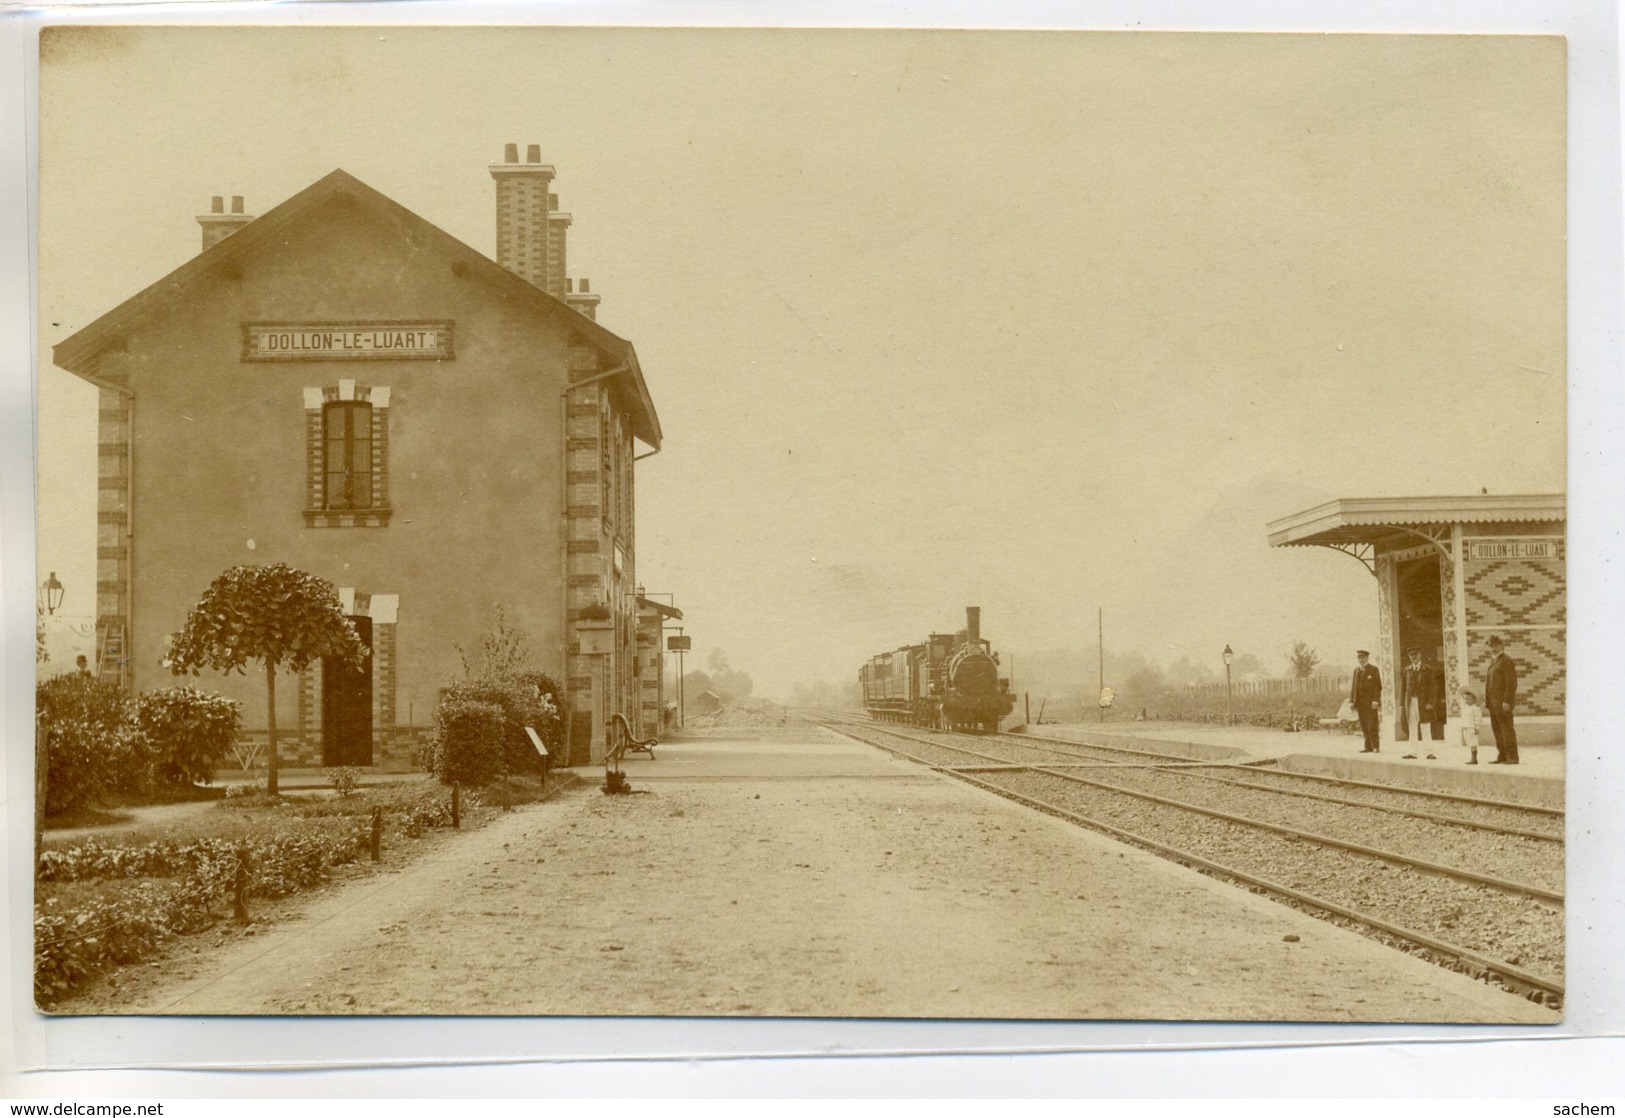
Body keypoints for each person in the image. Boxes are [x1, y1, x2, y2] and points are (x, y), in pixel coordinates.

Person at [1484, 634, 1519, 764]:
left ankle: (1512, 757)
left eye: (1496, 645)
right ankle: (1502, 755)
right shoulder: (1493, 661)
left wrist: (1507, 701)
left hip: (1503, 703)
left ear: (1501, 646)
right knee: (1497, 729)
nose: (1493, 648)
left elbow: (1511, 683)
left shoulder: (1506, 661)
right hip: (1493, 704)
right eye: (1491, 646)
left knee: (1506, 729)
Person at [1400, 648, 1442, 742]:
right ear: (1409, 657)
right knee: (1412, 727)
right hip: (1410, 702)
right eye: (1411, 655)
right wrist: (1402, 704)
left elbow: (1433, 688)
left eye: (1415, 654)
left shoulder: (1428, 670)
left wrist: (1431, 702)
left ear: (1420, 655)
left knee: (1425, 727)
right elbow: (1403, 689)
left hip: (1424, 702)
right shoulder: (1407, 670)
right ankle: (1413, 752)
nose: (1413, 656)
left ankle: (1428, 752)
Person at [1349, 649, 1382, 753]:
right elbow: (1354, 687)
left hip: (1370, 703)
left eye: (1363, 658)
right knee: (1363, 725)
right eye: (1359, 658)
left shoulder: (1373, 669)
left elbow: (1378, 687)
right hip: (1360, 703)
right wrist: (1351, 701)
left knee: (1372, 724)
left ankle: (1375, 746)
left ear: (1367, 658)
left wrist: (1376, 701)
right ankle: (1368, 747)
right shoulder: (1356, 670)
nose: (1361, 660)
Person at [1459, 689, 1485, 765]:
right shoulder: (1467, 708)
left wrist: (1477, 727)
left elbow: (1478, 718)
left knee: (1473, 742)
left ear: (1473, 700)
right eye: (1465, 699)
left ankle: (1474, 758)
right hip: (1466, 727)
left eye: (1468, 699)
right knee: (1469, 742)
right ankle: (1472, 757)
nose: (1466, 701)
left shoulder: (1475, 708)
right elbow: (1465, 718)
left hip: (1472, 728)